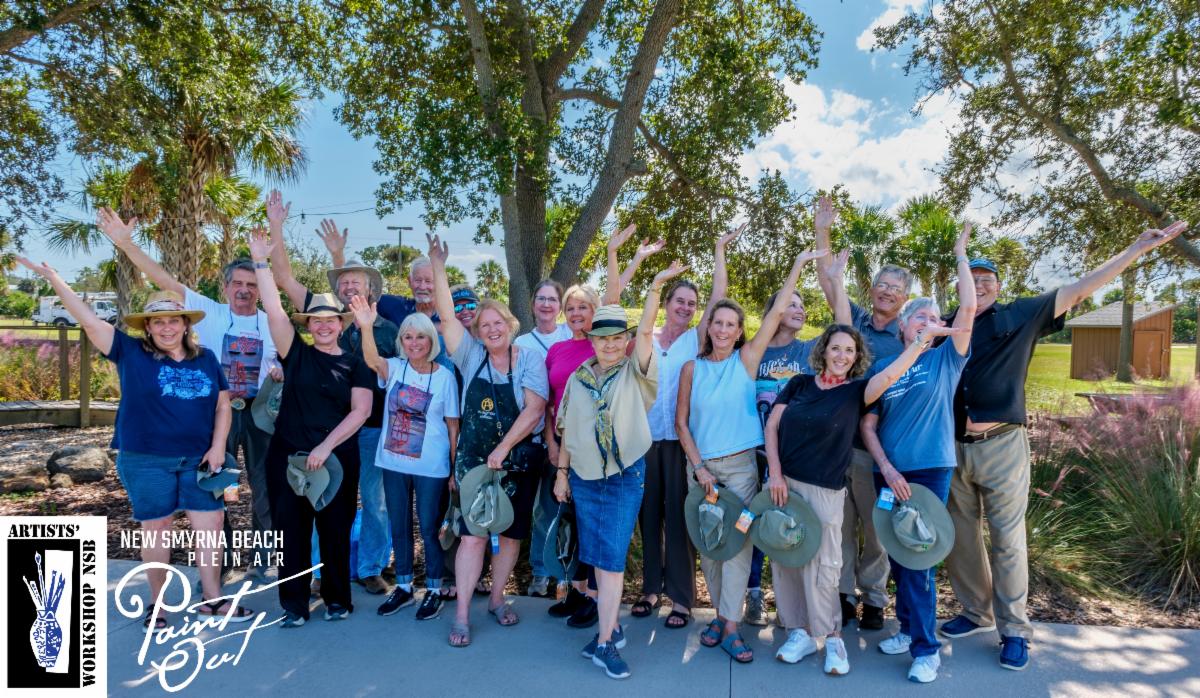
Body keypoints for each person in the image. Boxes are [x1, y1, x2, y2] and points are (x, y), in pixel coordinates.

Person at [940, 219, 1189, 671]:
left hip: (1002, 447)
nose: (979, 285)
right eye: (971, 279)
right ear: (958, 285)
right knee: (961, 538)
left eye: (987, 279)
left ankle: (1014, 630)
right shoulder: (945, 325)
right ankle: (976, 613)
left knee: (1008, 540)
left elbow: (1080, 289)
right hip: (953, 448)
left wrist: (1135, 248)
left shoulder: (1021, 315)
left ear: (999, 286)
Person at [16, 256, 254, 628]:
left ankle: (212, 600)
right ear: (148, 327)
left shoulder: (206, 359)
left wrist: (217, 447)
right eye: (158, 321)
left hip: (200, 460)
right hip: (146, 459)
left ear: (185, 324)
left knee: (211, 527)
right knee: (157, 528)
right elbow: (89, 320)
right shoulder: (131, 353)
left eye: (173, 320)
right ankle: (157, 605)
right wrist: (55, 278)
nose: (166, 327)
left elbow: (223, 405)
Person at [764, 261, 966, 676]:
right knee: (786, 558)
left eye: (849, 351)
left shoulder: (859, 390)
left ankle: (833, 639)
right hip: (787, 483)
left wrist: (919, 343)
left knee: (826, 563)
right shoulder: (799, 383)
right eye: (835, 348)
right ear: (823, 351)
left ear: (857, 358)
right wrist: (776, 474)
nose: (841, 355)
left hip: (828, 486)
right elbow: (772, 426)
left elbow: (888, 378)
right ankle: (798, 631)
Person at [96, 207, 281, 581]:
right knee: (215, 488)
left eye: (252, 284)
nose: (245, 290)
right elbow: (161, 277)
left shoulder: (273, 321)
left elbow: (292, 359)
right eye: (237, 283)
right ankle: (223, 566)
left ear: (261, 288)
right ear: (225, 287)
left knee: (266, 487)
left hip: (261, 413)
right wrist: (126, 244)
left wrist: (282, 370)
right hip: (216, 415)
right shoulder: (207, 311)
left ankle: (264, 559)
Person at [675, 247, 826, 664]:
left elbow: (777, 312)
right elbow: (681, 424)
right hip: (701, 472)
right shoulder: (692, 369)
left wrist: (798, 264)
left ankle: (729, 626)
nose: (723, 329)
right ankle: (721, 617)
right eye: (717, 323)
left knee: (738, 544)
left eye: (731, 324)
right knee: (710, 544)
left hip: (741, 470)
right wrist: (699, 468)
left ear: (740, 330)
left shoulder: (746, 360)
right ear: (708, 327)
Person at [554, 261, 687, 679]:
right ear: (592, 339)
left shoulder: (637, 373)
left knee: (611, 562)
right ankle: (610, 629)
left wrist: (656, 286)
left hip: (624, 477)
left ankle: (606, 642)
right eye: (603, 338)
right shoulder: (578, 378)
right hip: (584, 478)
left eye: (617, 338)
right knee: (597, 557)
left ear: (626, 341)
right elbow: (568, 429)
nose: (610, 345)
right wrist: (561, 473)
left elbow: (646, 332)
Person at [265, 192, 400, 596]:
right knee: (316, 495)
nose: (348, 286)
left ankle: (372, 566)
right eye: (343, 282)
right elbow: (283, 278)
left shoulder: (390, 330)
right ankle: (317, 572)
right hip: (317, 430)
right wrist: (276, 227)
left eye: (356, 282)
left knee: (374, 501)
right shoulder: (321, 314)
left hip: (371, 428)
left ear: (371, 289)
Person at [857, 223, 975, 683]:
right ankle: (908, 630)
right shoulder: (887, 364)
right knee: (898, 553)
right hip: (889, 474)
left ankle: (926, 650)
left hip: (928, 471)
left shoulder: (946, 359)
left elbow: (968, 308)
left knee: (919, 555)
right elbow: (868, 420)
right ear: (903, 325)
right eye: (919, 317)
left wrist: (961, 254)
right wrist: (885, 467)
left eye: (934, 317)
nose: (928, 321)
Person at [426, 234, 550, 648]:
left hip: (517, 460)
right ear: (477, 332)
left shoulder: (529, 359)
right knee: (473, 535)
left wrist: (504, 448)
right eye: (485, 325)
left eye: (499, 323)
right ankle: (462, 614)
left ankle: (497, 598)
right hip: (475, 461)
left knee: (510, 534)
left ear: (511, 326)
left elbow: (534, 410)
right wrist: (439, 266)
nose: (493, 330)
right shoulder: (469, 356)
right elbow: (447, 318)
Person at [249, 228, 374, 627]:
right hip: (288, 459)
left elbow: (360, 412)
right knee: (291, 533)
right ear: (308, 324)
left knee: (335, 531)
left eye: (330, 320)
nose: (323, 326)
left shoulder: (355, 364)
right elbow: (274, 310)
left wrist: (325, 448)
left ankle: (338, 600)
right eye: (316, 320)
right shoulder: (296, 354)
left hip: (336, 459)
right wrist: (260, 262)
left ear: (341, 324)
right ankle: (294, 605)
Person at [543, 224, 659, 624]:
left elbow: (619, 304)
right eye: (571, 307)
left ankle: (598, 603)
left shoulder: (613, 350)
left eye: (584, 307)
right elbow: (554, 403)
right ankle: (580, 593)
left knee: (605, 536)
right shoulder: (560, 351)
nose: (577, 313)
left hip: (615, 456)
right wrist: (559, 456)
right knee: (579, 528)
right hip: (573, 445)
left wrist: (618, 255)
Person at [633, 225, 740, 629]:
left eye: (691, 303)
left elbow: (719, 297)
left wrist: (719, 250)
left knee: (679, 519)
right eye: (679, 300)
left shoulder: (695, 340)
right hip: (645, 443)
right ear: (666, 303)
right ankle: (649, 590)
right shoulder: (646, 337)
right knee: (648, 517)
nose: (685, 307)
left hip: (680, 443)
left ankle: (680, 598)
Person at [813, 195, 909, 628]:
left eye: (895, 288)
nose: (886, 291)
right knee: (840, 525)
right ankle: (844, 594)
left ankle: (874, 597)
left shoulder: (906, 337)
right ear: (872, 288)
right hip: (840, 443)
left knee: (875, 530)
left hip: (878, 449)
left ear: (905, 298)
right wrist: (823, 230)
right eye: (882, 284)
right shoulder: (854, 320)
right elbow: (828, 279)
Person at [349, 295, 460, 621]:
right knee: (399, 526)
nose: (414, 342)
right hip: (393, 463)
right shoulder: (395, 368)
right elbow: (372, 359)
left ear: (431, 340)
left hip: (431, 467)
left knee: (429, 528)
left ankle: (434, 590)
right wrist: (366, 327)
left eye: (421, 336)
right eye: (408, 336)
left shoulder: (444, 377)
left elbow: (453, 427)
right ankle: (404, 586)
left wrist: (454, 469)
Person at [515, 279, 572, 597]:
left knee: (562, 508)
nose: (547, 304)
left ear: (560, 306)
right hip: (529, 436)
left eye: (552, 299)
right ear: (533, 304)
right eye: (541, 298)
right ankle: (539, 571)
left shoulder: (569, 336)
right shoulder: (522, 342)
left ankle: (564, 573)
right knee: (539, 509)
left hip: (563, 438)